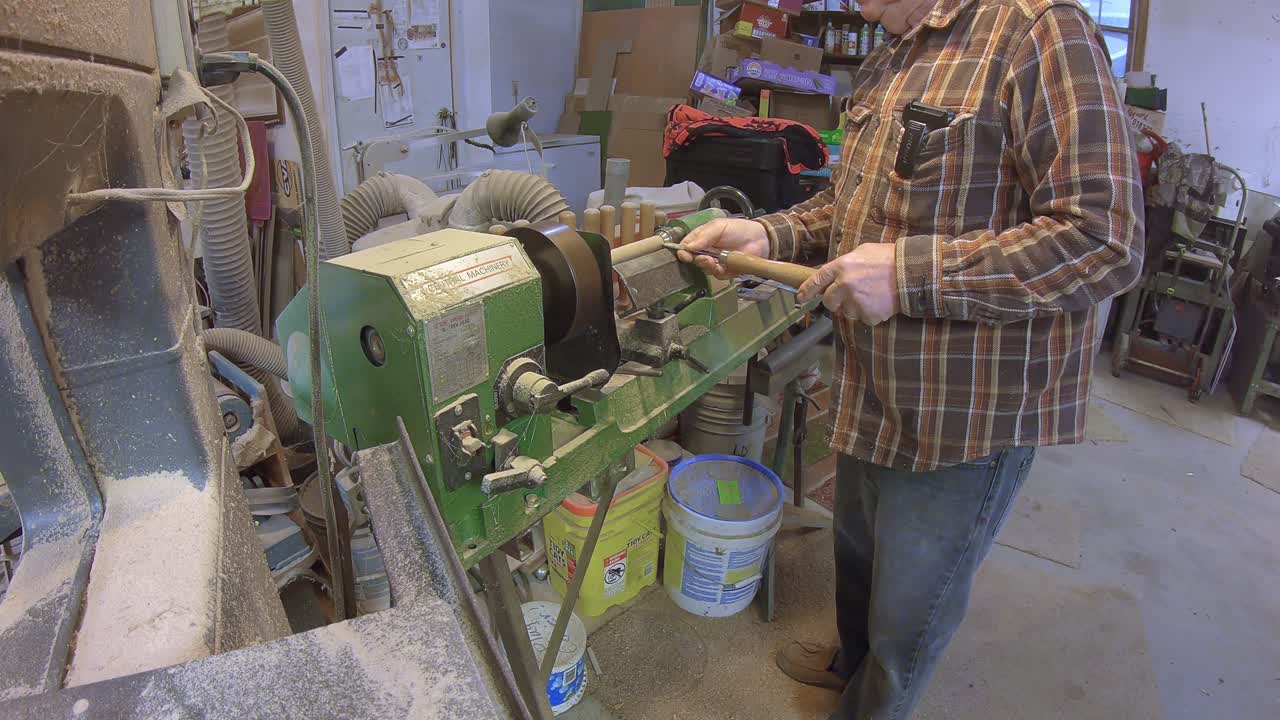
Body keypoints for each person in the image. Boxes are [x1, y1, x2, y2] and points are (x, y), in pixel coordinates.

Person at [679, 0, 1144, 717]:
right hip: (873, 385)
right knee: (860, 560)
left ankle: (874, 703)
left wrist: (908, 275)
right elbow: (848, 206)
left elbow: (1104, 239)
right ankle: (850, 665)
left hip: (966, 415)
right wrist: (768, 234)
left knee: (911, 610)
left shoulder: (1039, 30)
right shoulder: (893, 52)